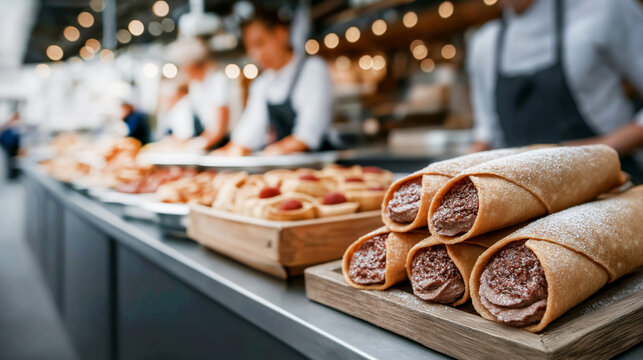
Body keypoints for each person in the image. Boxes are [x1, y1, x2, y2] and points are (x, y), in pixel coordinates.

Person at [467, 0, 643, 183]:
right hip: (528, 188)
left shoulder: (605, 10)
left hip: (614, 180)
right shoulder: (484, 44)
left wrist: (586, 152)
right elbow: (487, 134)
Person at [214, 6, 334, 156]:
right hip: (283, 170)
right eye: (250, 48)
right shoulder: (262, 84)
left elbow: (308, 136)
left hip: (320, 168)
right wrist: (225, 153)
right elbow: (247, 134)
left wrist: (270, 153)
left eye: (260, 43)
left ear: (281, 34)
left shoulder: (312, 69)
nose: (255, 54)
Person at [165, 38, 233, 150]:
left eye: (183, 66)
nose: (182, 71)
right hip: (207, 141)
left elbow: (219, 129)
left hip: (223, 144)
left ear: (192, 65)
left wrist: (195, 145)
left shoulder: (218, 81)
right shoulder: (195, 86)